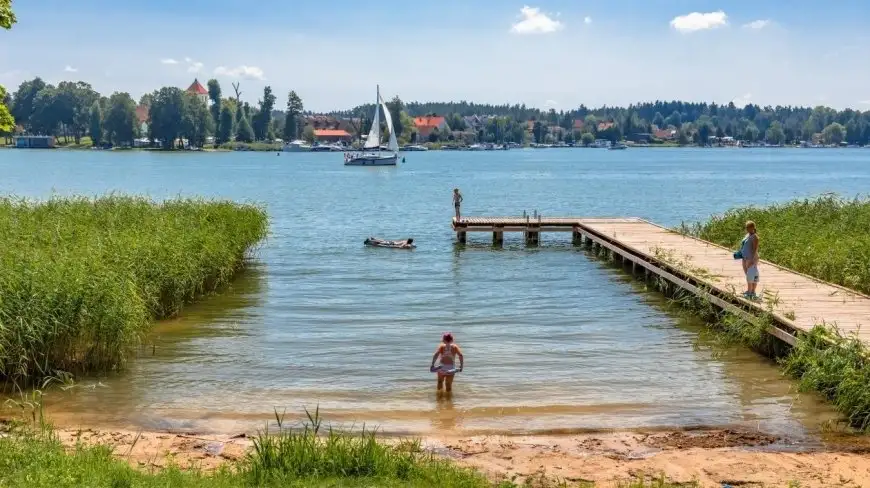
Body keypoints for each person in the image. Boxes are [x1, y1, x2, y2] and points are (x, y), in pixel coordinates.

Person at [740, 221, 760, 299]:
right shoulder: (747, 235)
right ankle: (751, 291)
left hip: (751, 258)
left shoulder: (755, 237)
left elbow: (755, 249)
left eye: (748, 227)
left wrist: (752, 259)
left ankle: (751, 292)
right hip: (745, 257)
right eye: (746, 227)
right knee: (748, 274)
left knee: (751, 274)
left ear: (752, 228)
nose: (746, 229)